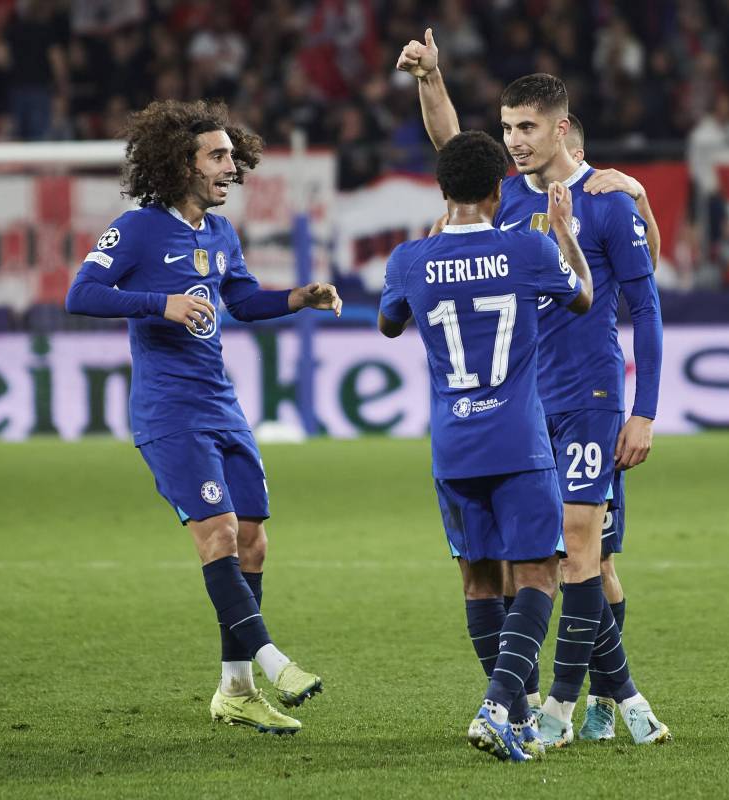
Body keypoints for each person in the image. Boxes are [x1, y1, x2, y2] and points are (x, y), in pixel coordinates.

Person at [398, 30, 671, 746]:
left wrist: (644, 412)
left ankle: (555, 710)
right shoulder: (506, 201)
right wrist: (430, 79)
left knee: (577, 550)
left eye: (526, 127)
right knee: (583, 565)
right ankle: (616, 697)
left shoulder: (606, 200)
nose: (514, 141)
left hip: (589, 398)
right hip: (525, 410)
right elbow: (453, 148)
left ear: (560, 128)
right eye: (508, 128)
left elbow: (645, 308)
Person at [65, 99, 342, 735]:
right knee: (217, 533)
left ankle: (235, 690)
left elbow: (241, 300)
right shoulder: (137, 229)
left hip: (222, 404)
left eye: (231, 156)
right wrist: (157, 303)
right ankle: (272, 661)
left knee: (252, 539)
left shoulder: (219, 233)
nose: (230, 168)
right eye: (217, 157)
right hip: (169, 411)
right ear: (181, 164)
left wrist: (298, 297)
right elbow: (81, 293)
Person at [378, 130, 592, 762]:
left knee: (478, 581)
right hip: (519, 442)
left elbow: (389, 323)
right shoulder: (527, 247)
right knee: (539, 574)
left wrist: (430, 250)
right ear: (500, 189)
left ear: (441, 190)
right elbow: (582, 298)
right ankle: (496, 708)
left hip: (454, 446)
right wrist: (565, 233)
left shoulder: (408, 259)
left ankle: (517, 718)